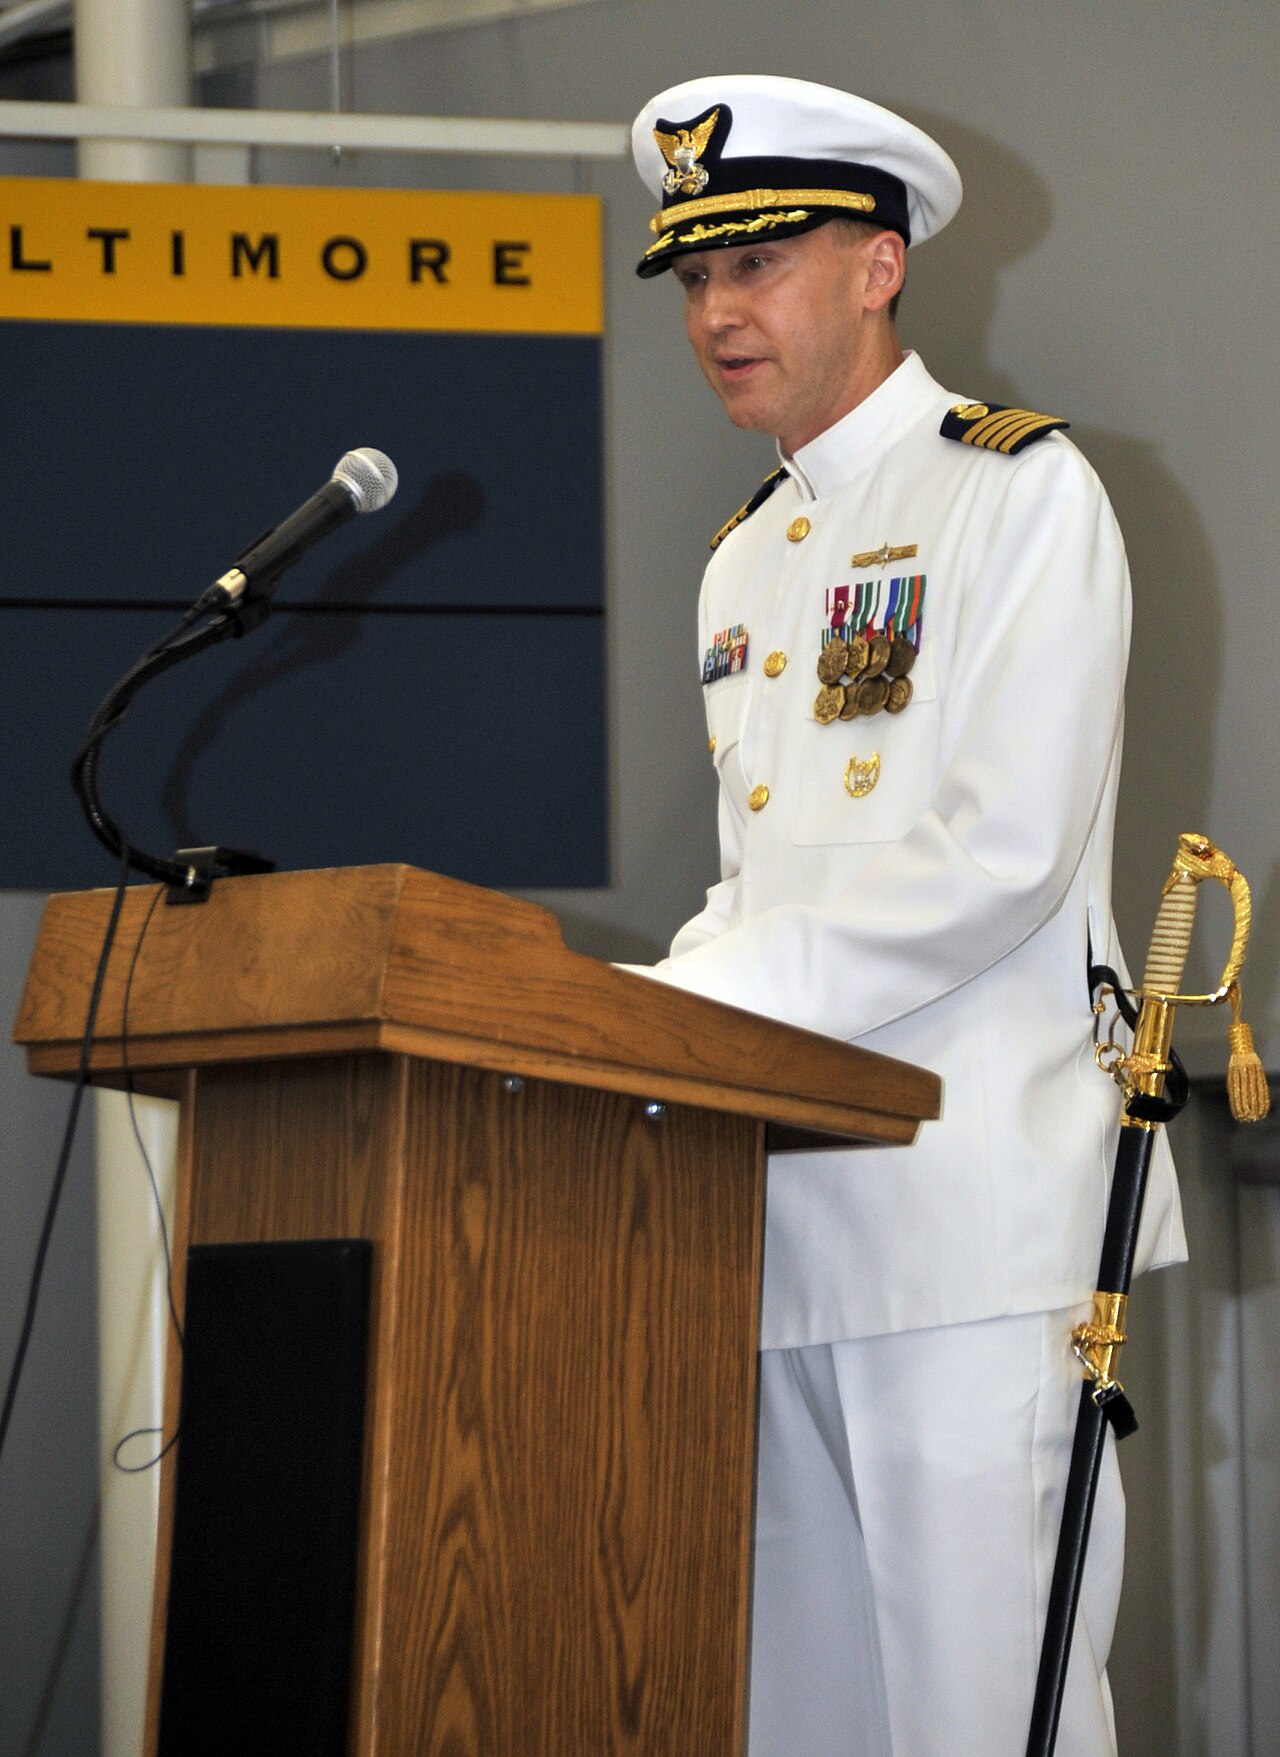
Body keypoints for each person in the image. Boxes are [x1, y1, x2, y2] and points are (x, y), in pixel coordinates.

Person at [629, 74, 1187, 1757]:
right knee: (796, 1724)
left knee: (980, 1721)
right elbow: (762, 880)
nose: (720, 311)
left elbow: (995, 851)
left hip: (970, 1230)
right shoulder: (742, 564)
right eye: (694, 278)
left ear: (880, 267)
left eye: (762, 263)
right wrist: (690, 1005)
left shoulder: (1017, 497)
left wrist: (678, 1005)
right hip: (781, 1230)